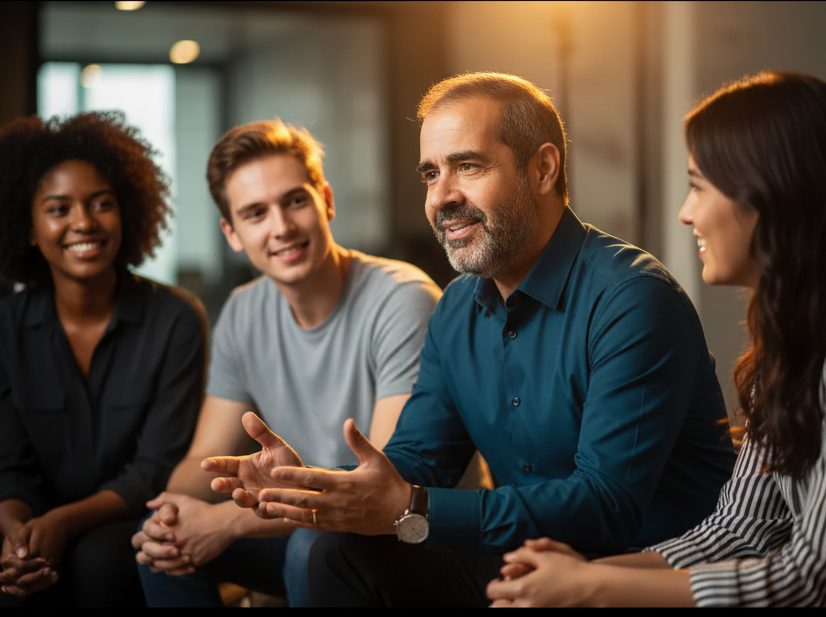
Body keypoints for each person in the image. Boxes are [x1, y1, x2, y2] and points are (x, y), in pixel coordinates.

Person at [205, 71, 737, 607]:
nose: (442, 197)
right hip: (522, 559)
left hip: (641, 573)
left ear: (543, 169)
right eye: (430, 174)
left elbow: (606, 505)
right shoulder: (457, 305)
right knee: (322, 547)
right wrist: (310, 484)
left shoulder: (631, 298)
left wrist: (411, 507)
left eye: (468, 166)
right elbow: (419, 458)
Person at [485, 70, 826, 607]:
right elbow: (741, 530)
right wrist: (578, 574)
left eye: (698, 186)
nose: (685, 213)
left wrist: (592, 585)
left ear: (767, 196)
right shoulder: (784, 357)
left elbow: (809, 578)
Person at [131, 118, 442, 606]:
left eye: (295, 200)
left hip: (408, 538)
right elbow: (202, 458)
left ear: (327, 201)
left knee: (312, 547)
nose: (281, 228)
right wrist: (174, 512)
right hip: (306, 528)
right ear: (232, 233)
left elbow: (379, 485)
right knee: (160, 542)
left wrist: (227, 521)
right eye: (255, 214)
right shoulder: (243, 310)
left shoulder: (402, 298)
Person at [0, 111, 207, 607]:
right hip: (28, 516)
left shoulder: (176, 319)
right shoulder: (5, 325)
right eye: (58, 208)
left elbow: (154, 466)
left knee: (99, 560)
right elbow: (8, 464)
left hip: (125, 519)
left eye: (101, 204)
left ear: (128, 212)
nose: (83, 223)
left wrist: (62, 523)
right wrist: (17, 534)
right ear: (29, 227)